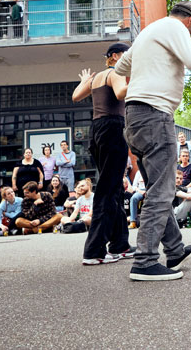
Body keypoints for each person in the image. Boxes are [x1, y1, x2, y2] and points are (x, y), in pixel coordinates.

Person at [116, 0, 191, 281]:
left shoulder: (148, 32)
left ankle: (174, 249)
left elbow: (120, 67)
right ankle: (145, 261)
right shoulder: (176, 28)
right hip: (155, 115)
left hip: (133, 116)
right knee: (161, 192)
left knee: (156, 186)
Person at [71, 42, 135, 265]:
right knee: (108, 190)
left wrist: (84, 82)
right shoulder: (115, 73)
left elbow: (76, 96)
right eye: (127, 54)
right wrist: (141, 80)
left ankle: (120, 244)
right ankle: (94, 251)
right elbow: (120, 93)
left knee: (115, 188)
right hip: (112, 128)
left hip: (97, 130)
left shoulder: (97, 77)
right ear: (116, 56)